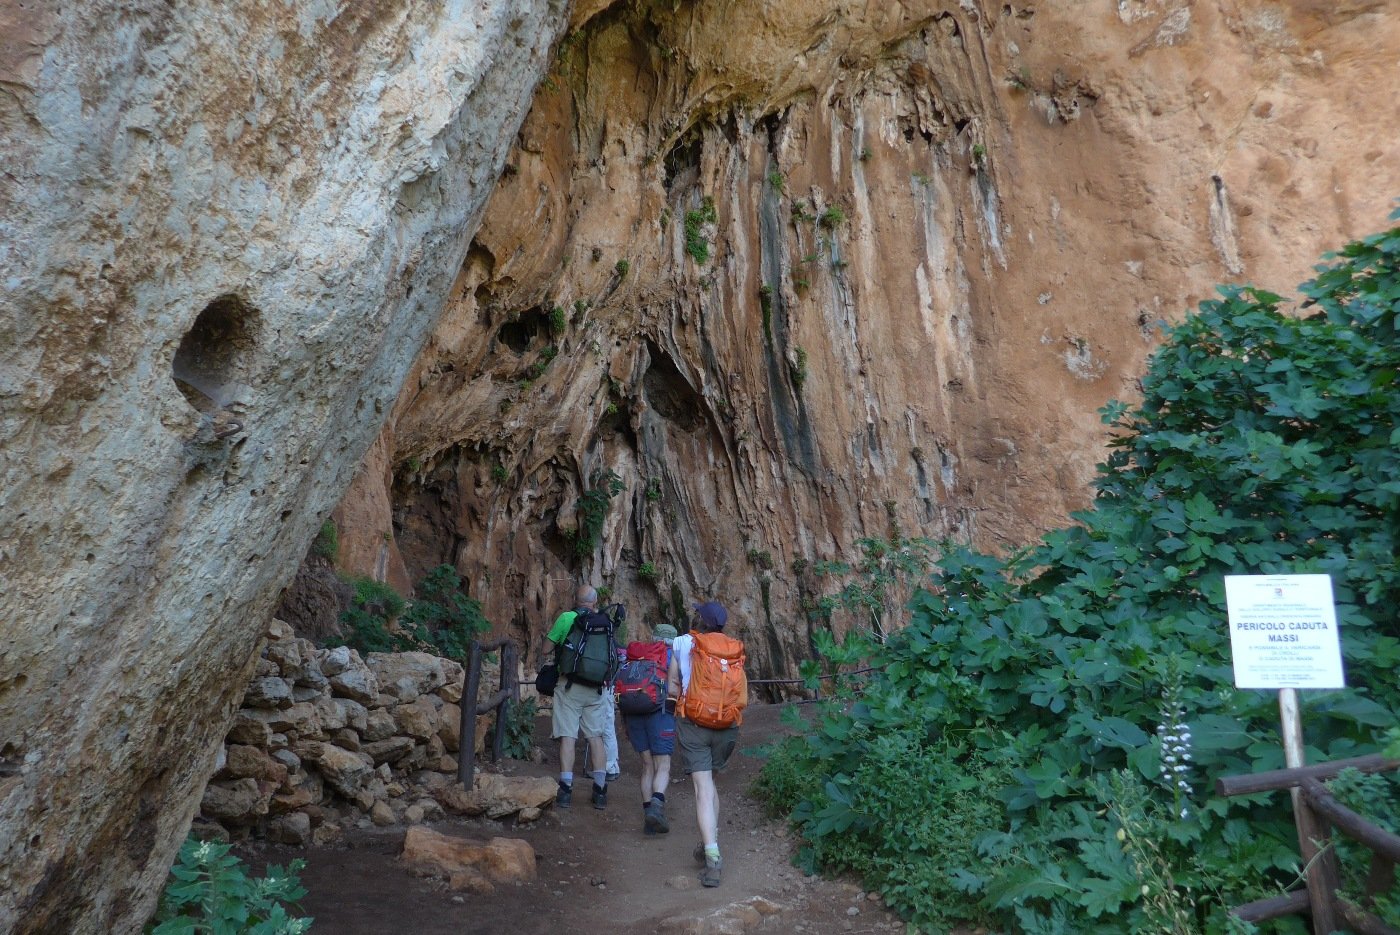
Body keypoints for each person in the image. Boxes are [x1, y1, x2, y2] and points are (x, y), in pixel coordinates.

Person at [667, 602, 740, 888]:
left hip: (694, 722)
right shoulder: (733, 647)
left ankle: (712, 857)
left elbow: (673, 685)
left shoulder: (683, 643)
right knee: (711, 784)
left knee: (702, 789)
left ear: (701, 620)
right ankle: (709, 839)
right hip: (726, 725)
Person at [546, 585, 612, 809]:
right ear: (595, 602)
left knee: (568, 736)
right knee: (596, 738)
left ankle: (565, 790)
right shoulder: (604, 621)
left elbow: (547, 648)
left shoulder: (567, 618)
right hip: (596, 688)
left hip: (570, 687)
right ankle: (600, 791)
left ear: (576, 600)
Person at [621, 623, 677, 835]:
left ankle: (648, 820)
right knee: (663, 764)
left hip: (634, 714)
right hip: (660, 714)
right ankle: (656, 805)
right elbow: (676, 686)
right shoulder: (672, 656)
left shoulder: (637, 655)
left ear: (654, 637)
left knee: (647, 766)